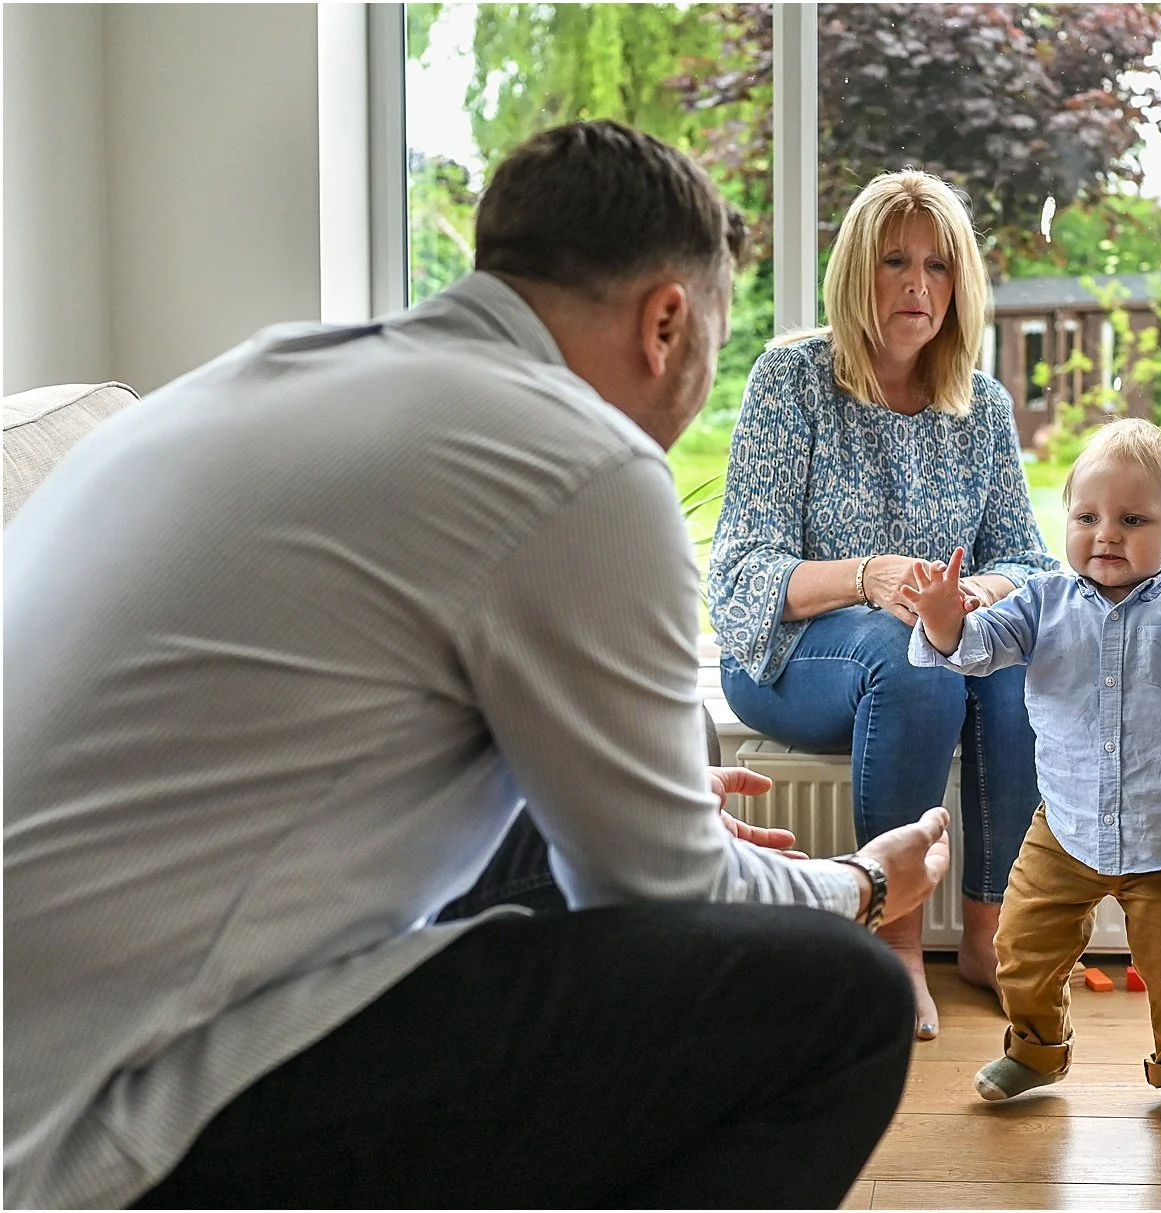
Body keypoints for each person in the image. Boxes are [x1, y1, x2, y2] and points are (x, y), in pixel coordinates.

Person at [4, 119, 954, 1210]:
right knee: (835, 1003)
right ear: (665, 322)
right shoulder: (572, 458)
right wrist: (866, 881)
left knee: (558, 852)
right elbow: (669, 890)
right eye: (710, 348)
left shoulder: (255, 376)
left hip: (44, 1044)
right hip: (93, 1135)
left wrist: (644, 813)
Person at [709, 169, 1059, 1040]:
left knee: (1003, 667)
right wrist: (868, 575)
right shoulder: (792, 378)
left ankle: (988, 933)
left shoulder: (980, 405)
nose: (917, 285)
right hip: (788, 656)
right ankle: (894, 939)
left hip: (924, 648)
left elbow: (1028, 556)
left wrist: (977, 587)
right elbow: (744, 572)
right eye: (896, 261)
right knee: (919, 670)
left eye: (938, 266)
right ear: (856, 271)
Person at [901, 418, 1161, 1127]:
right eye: (1087, 516)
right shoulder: (1040, 601)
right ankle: (1035, 1050)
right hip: (1064, 826)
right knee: (1021, 948)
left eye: (1132, 519)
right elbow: (973, 647)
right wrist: (944, 617)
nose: (1106, 535)